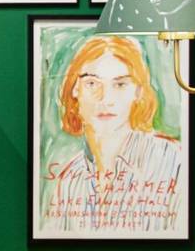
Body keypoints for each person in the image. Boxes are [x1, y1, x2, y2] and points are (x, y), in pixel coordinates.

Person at [43, 35, 182, 234]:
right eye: (92, 83)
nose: (106, 99)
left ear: (138, 92)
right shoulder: (70, 179)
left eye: (120, 84)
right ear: (74, 89)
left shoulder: (174, 162)